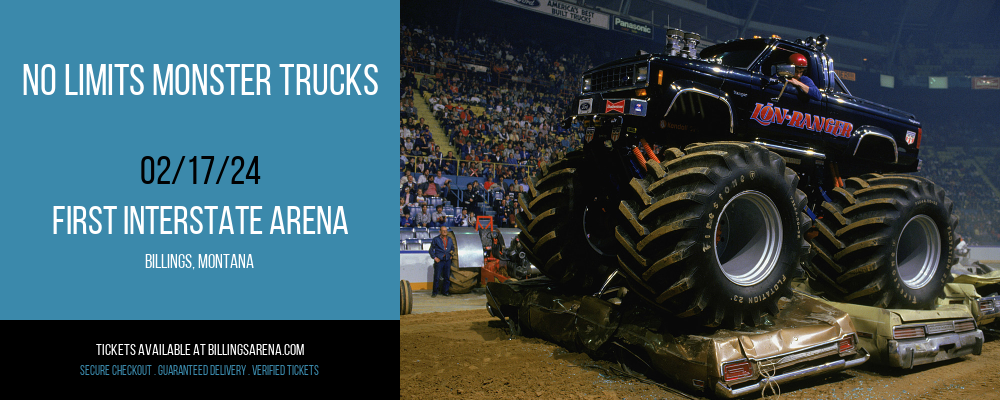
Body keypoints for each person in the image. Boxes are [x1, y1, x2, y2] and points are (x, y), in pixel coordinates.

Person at [428, 226, 455, 297]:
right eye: (443, 230)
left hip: (447, 260)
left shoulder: (449, 239)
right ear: (440, 231)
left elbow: (452, 248)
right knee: (437, 277)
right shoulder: (436, 239)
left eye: (446, 230)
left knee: (447, 277)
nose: (445, 232)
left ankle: (445, 292)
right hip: (439, 261)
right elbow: (430, 250)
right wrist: (434, 257)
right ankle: (435, 292)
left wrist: (451, 254)